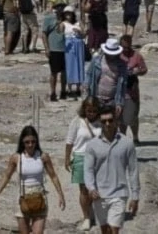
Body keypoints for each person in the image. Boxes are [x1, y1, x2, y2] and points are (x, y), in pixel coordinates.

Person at [0, 125, 66, 234]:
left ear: (36, 141)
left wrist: (60, 195)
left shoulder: (43, 157)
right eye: (27, 142)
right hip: (22, 199)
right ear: (22, 142)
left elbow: (53, 176)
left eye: (33, 142)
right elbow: (7, 176)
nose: (30, 145)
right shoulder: (16, 158)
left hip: (39, 197)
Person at [84, 105, 140, 233]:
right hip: (99, 195)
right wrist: (91, 188)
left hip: (119, 194)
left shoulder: (127, 143)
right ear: (100, 122)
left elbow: (133, 170)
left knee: (114, 229)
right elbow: (88, 170)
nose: (107, 124)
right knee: (105, 230)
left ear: (116, 121)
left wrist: (135, 196)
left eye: (110, 120)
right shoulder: (92, 145)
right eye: (104, 121)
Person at [65, 97, 103, 231]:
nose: (91, 113)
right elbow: (69, 141)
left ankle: (93, 211)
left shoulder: (102, 122)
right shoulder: (77, 121)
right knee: (84, 190)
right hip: (81, 157)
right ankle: (86, 216)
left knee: (96, 188)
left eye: (94, 111)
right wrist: (67, 158)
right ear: (84, 110)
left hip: (98, 159)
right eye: (89, 111)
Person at [87, 38, 128, 120]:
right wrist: (88, 96)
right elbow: (89, 76)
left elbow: (123, 85)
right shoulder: (96, 61)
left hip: (112, 100)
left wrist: (119, 103)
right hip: (96, 98)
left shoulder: (122, 65)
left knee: (109, 126)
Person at [118, 35, 147, 144]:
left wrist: (137, 71)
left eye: (127, 47)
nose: (125, 49)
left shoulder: (136, 56)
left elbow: (144, 69)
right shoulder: (116, 55)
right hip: (119, 90)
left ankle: (135, 136)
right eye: (123, 47)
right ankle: (123, 138)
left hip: (131, 90)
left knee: (132, 116)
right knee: (121, 117)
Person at [41, 8, 67, 102]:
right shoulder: (49, 19)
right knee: (54, 72)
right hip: (54, 49)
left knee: (64, 72)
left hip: (65, 49)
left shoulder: (67, 19)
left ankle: (63, 91)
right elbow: (44, 34)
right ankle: (53, 92)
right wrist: (47, 48)